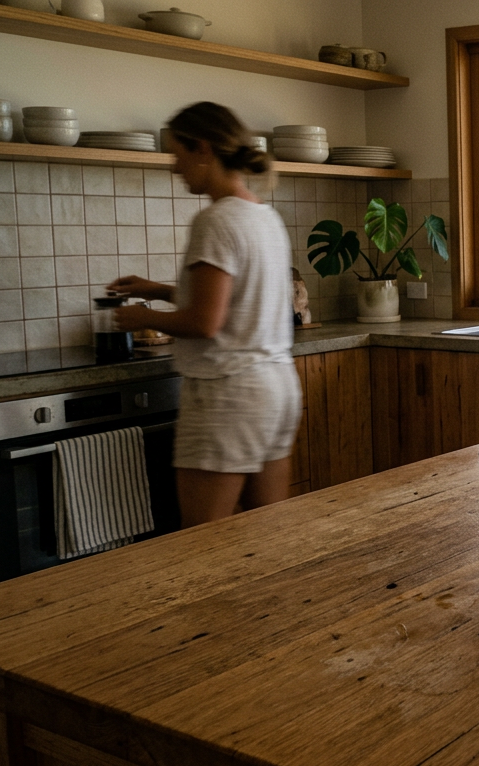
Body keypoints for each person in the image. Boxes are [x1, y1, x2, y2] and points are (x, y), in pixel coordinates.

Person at [108, 102, 300, 527]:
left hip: (228, 393)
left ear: (203, 149)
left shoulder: (214, 220)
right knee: (270, 532)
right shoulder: (264, 216)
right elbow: (237, 299)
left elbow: (205, 322)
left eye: (176, 154)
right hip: (277, 386)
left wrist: (143, 318)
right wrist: (157, 289)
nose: (175, 169)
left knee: (203, 544)